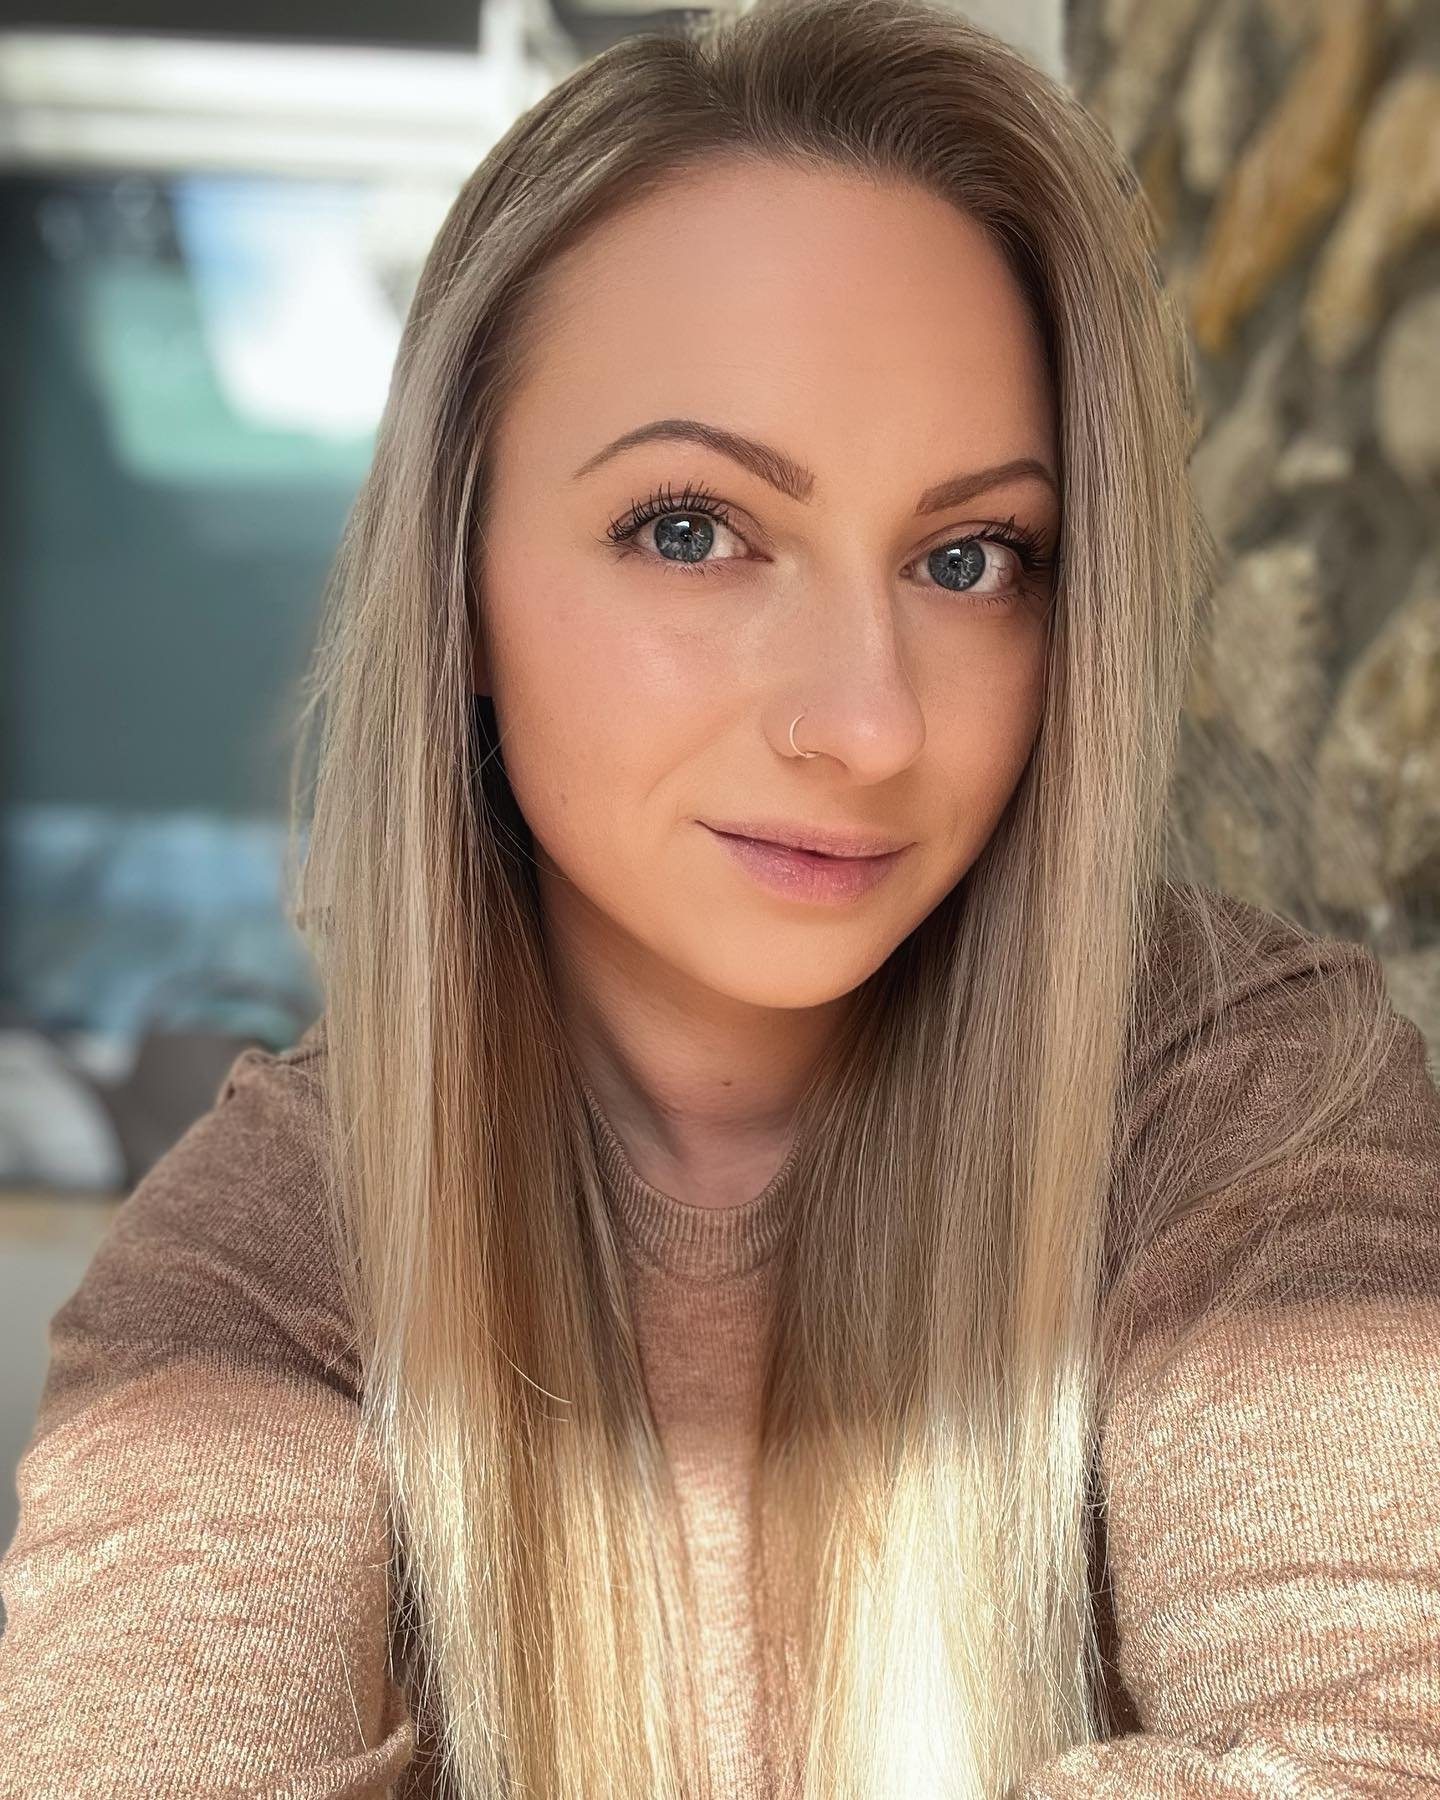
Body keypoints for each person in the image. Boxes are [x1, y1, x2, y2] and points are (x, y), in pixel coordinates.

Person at [3, 0, 1438, 1794]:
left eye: (970, 556)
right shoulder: (262, 1271)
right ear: (457, 582)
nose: (868, 722)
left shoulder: (1252, 1103)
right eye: (690, 529)